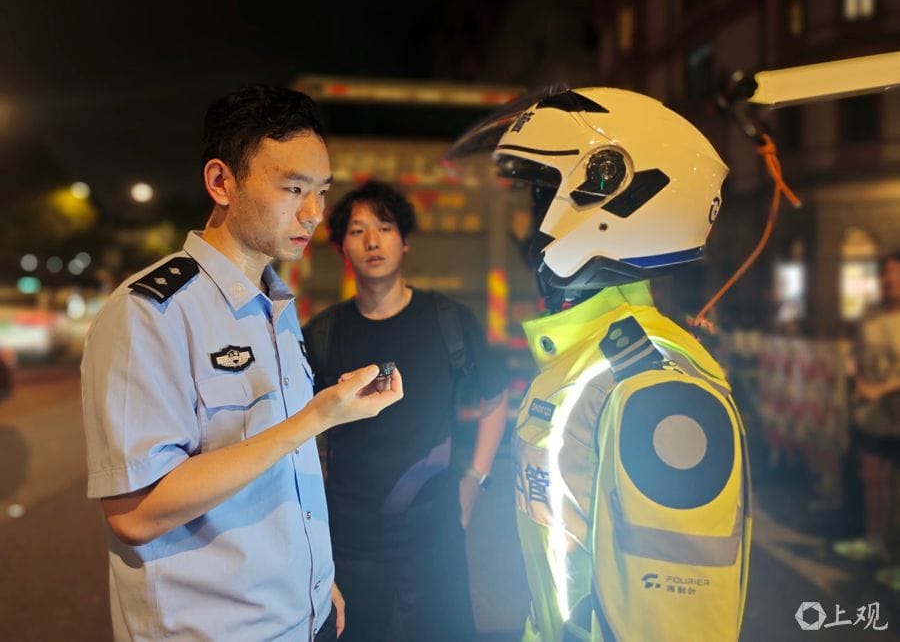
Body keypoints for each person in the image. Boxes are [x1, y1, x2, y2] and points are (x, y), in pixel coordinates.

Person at [80, 85, 403, 642]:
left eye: (321, 191)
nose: (313, 212)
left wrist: (314, 581)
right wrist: (317, 417)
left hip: (305, 617)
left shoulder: (275, 306)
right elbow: (135, 514)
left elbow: (276, 472)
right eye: (292, 188)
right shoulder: (150, 313)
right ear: (221, 182)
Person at [447, 87, 751, 641]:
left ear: (608, 196)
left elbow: (677, 626)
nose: (531, 225)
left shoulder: (655, 390)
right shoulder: (594, 365)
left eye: (541, 199)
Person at [303, 180, 509, 642]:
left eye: (384, 227)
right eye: (357, 231)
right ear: (342, 249)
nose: (372, 241)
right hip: (351, 543)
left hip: (435, 533)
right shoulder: (323, 335)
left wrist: (474, 481)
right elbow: (300, 437)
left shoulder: (449, 321)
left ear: (405, 240)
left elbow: (495, 398)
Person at [833, 252, 900, 588]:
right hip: (873, 418)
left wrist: (883, 388)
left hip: (894, 411)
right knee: (873, 480)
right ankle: (875, 544)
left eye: (895, 273)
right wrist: (859, 382)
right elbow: (857, 358)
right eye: (885, 274)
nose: (889, 280)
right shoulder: (871, 320)